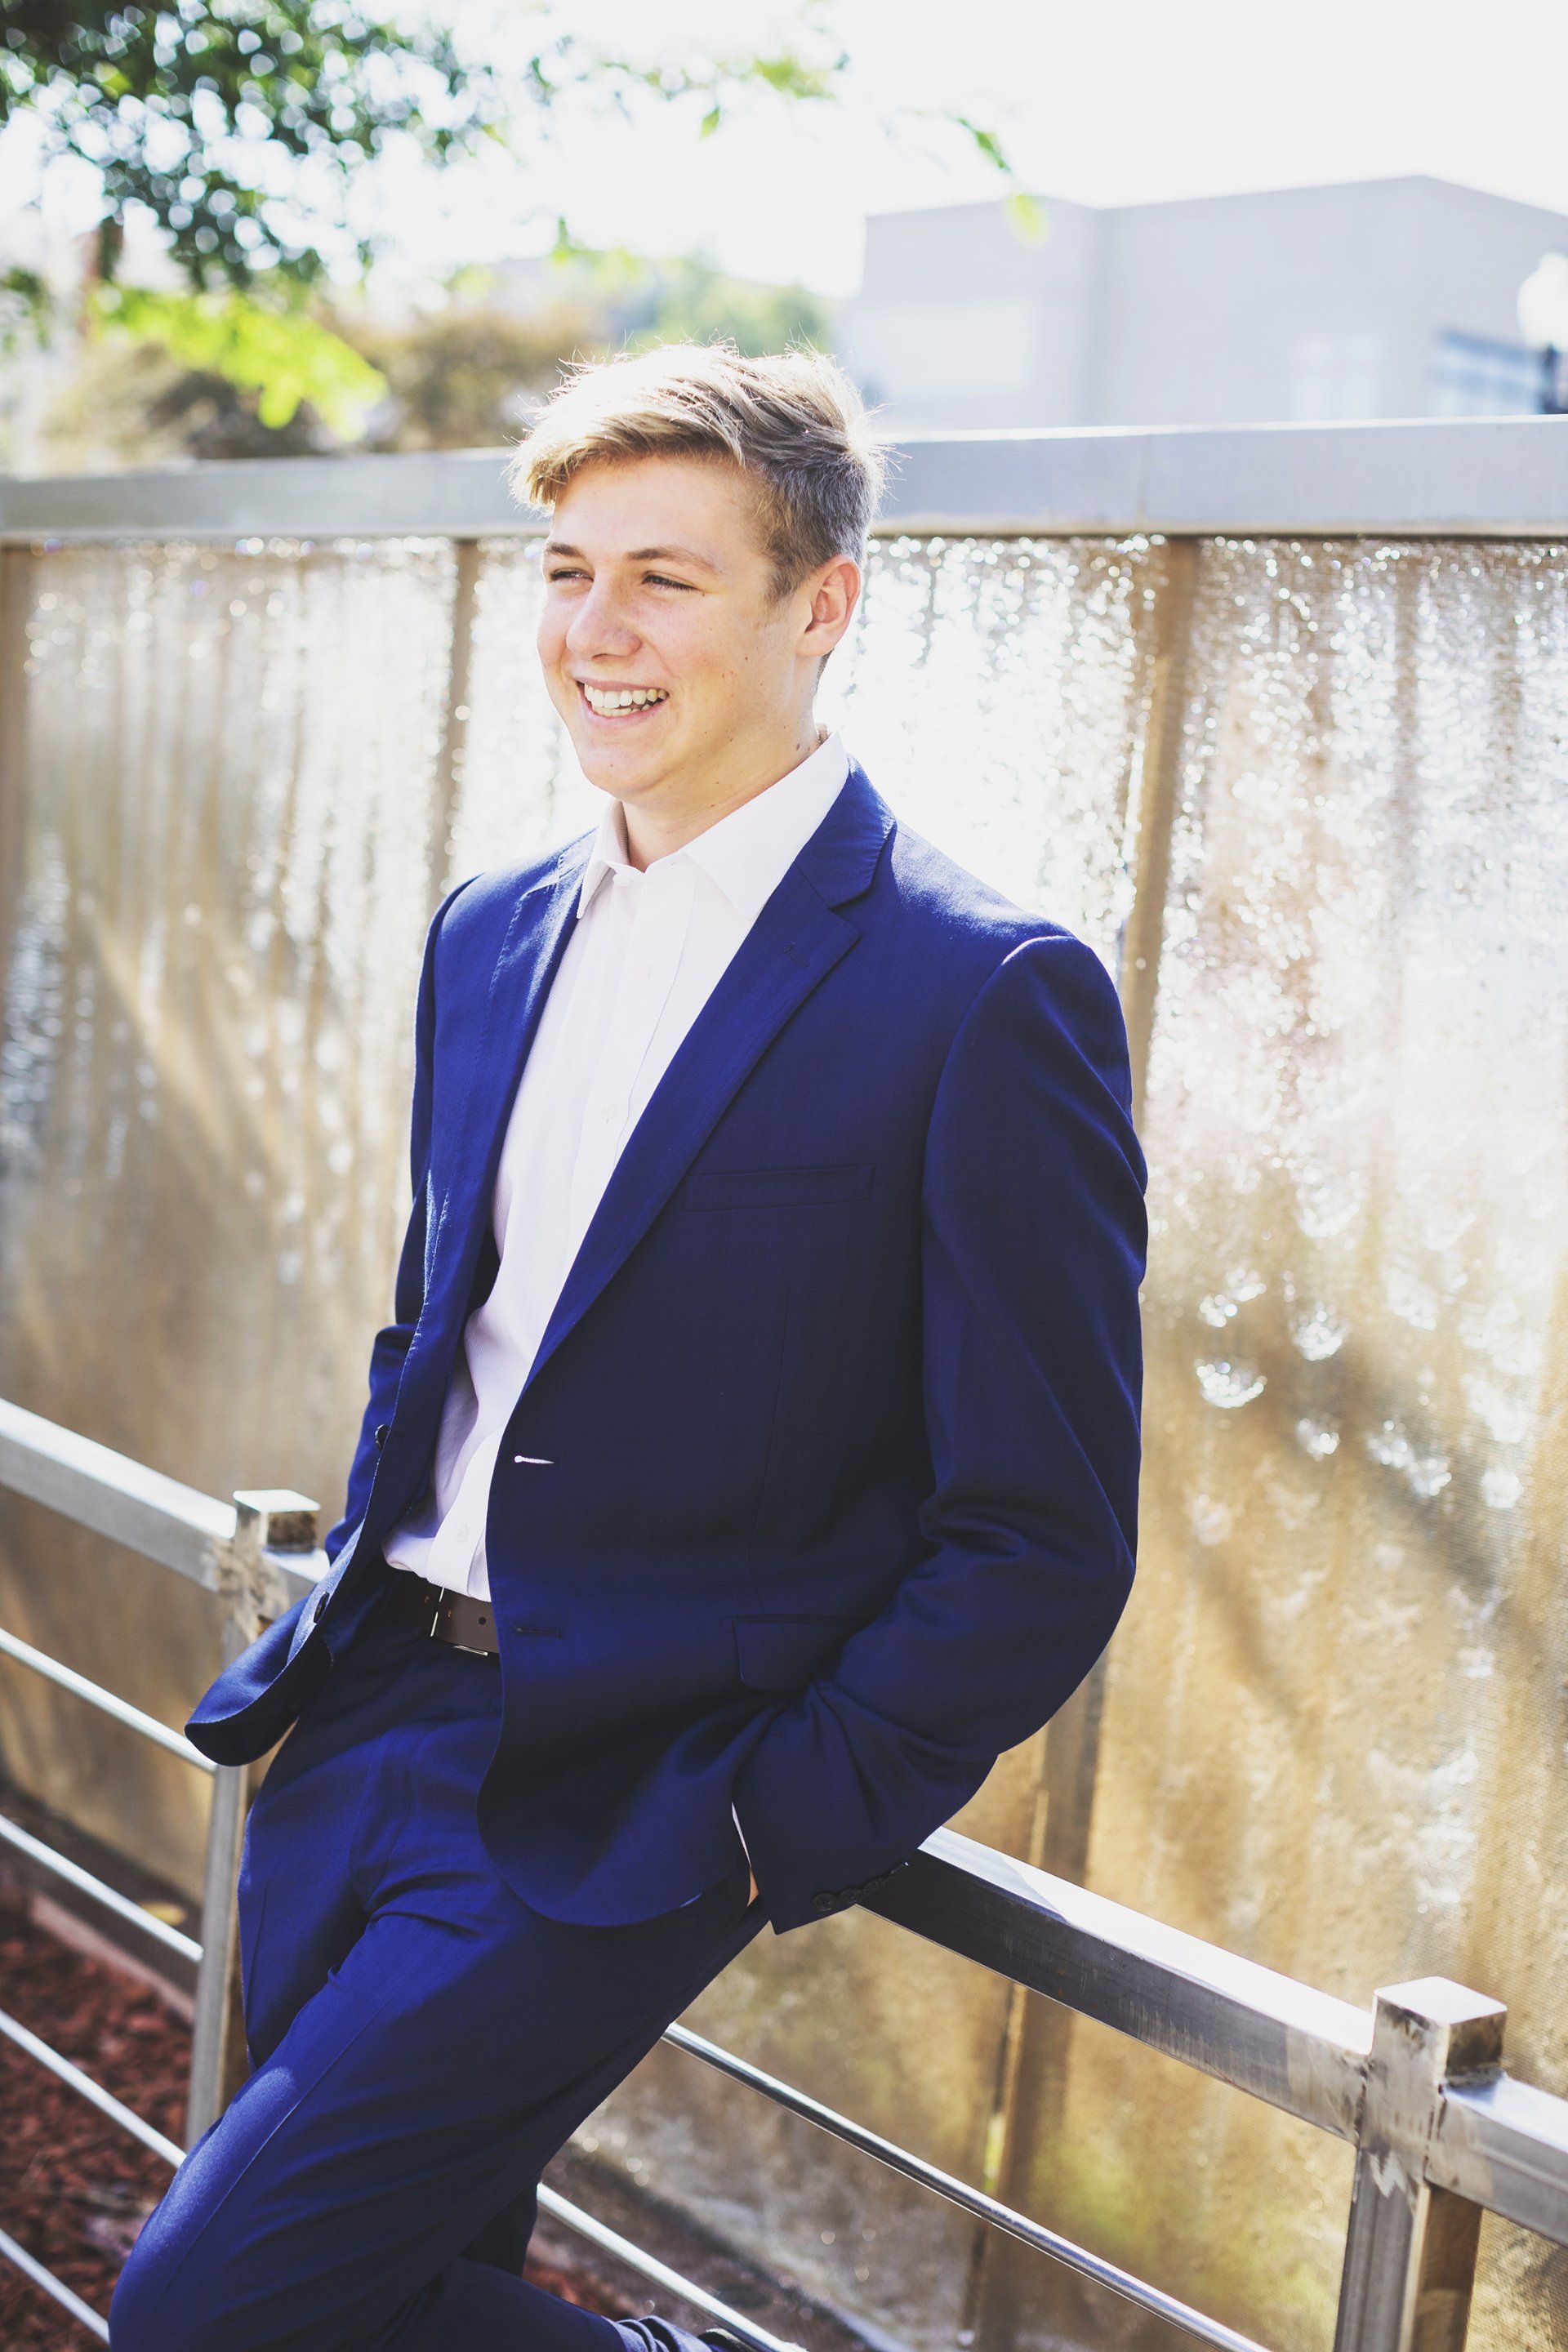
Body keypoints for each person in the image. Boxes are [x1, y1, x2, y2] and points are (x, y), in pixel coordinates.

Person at [109, 343, 1147, 2352]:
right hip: (369, 1717)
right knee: (391, 2290)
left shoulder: (981, 989)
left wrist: (766, 1824)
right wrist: (351, 1616)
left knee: (209, 2315)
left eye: (666, 578)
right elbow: (446, 1330)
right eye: (570, 569)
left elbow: (1040, 1527)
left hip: (632, 1797)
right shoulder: (491, 930)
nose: (598, 631)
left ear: (818, 605)